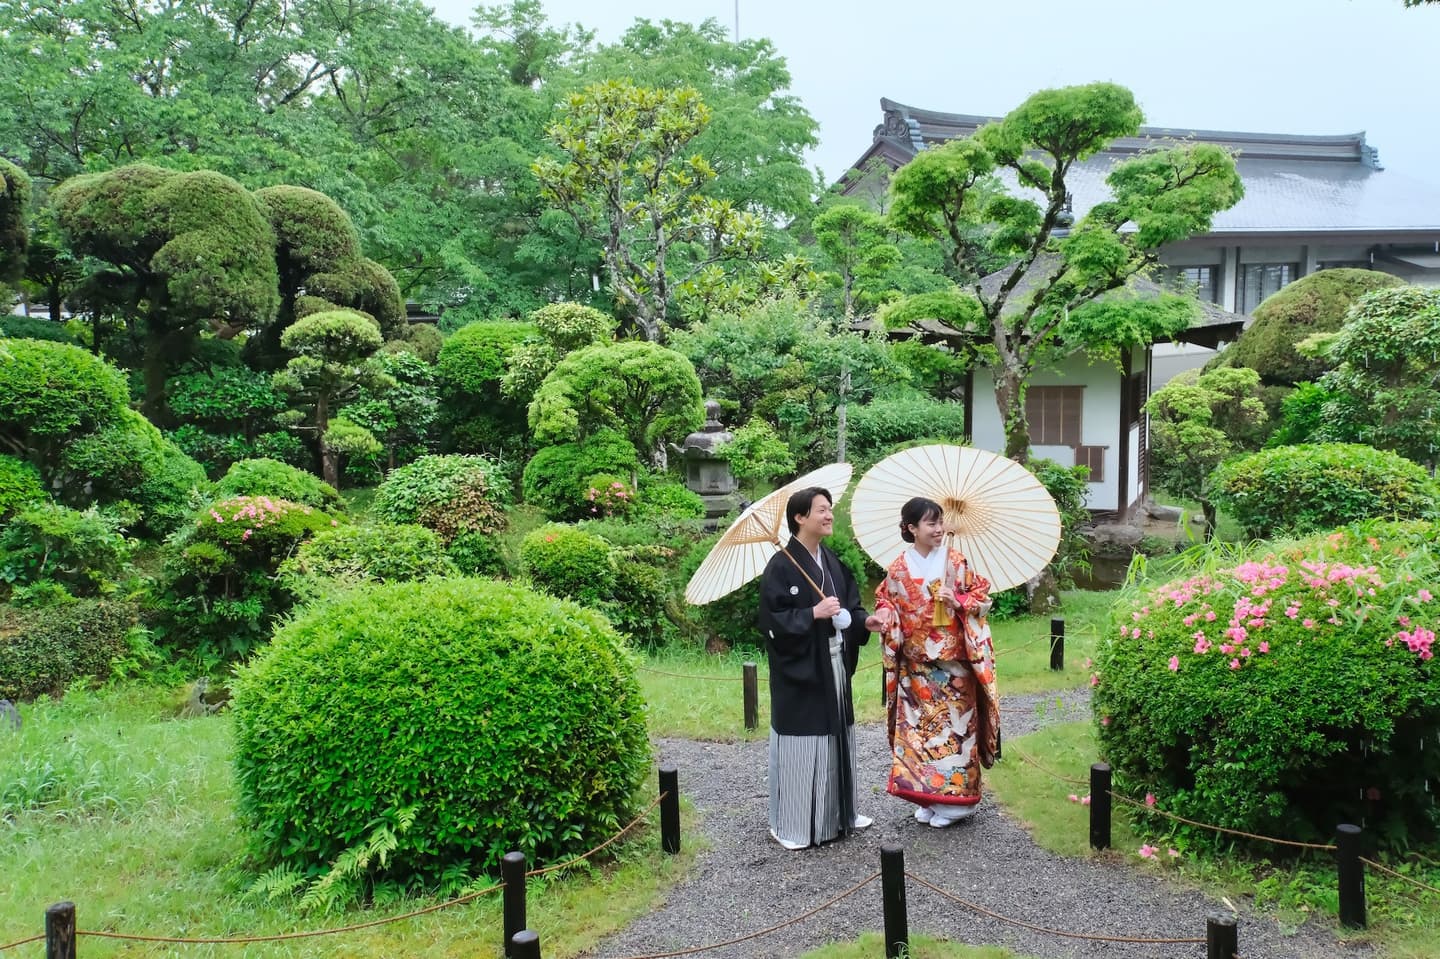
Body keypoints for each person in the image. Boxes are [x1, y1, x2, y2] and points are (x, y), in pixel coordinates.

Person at [758, 486, 886, 850]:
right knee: (807, 738)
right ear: (800, 517)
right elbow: (772, 621)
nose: (829, 516)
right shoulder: (781, 566)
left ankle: (842, 812)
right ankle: (797, 824)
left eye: (830, 510)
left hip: (833, 664)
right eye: (822, 510)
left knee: (840, 734)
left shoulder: (830, 561)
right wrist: (811, 614)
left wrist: (864, 622)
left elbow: (849, 605)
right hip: (801, 671)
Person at [871, 496, 998, 828]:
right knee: (917, 735)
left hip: (954, 669)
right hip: (915, 668)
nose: (939, 529)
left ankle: (958, 804)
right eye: (931, 523)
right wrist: (885, 613)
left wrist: (956, 599)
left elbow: (983, 600)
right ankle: (927, 796)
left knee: (955, 734)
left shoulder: (956, 561)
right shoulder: (899, 567)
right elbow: (885, 598)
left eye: (940, 522)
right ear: (912, 528)